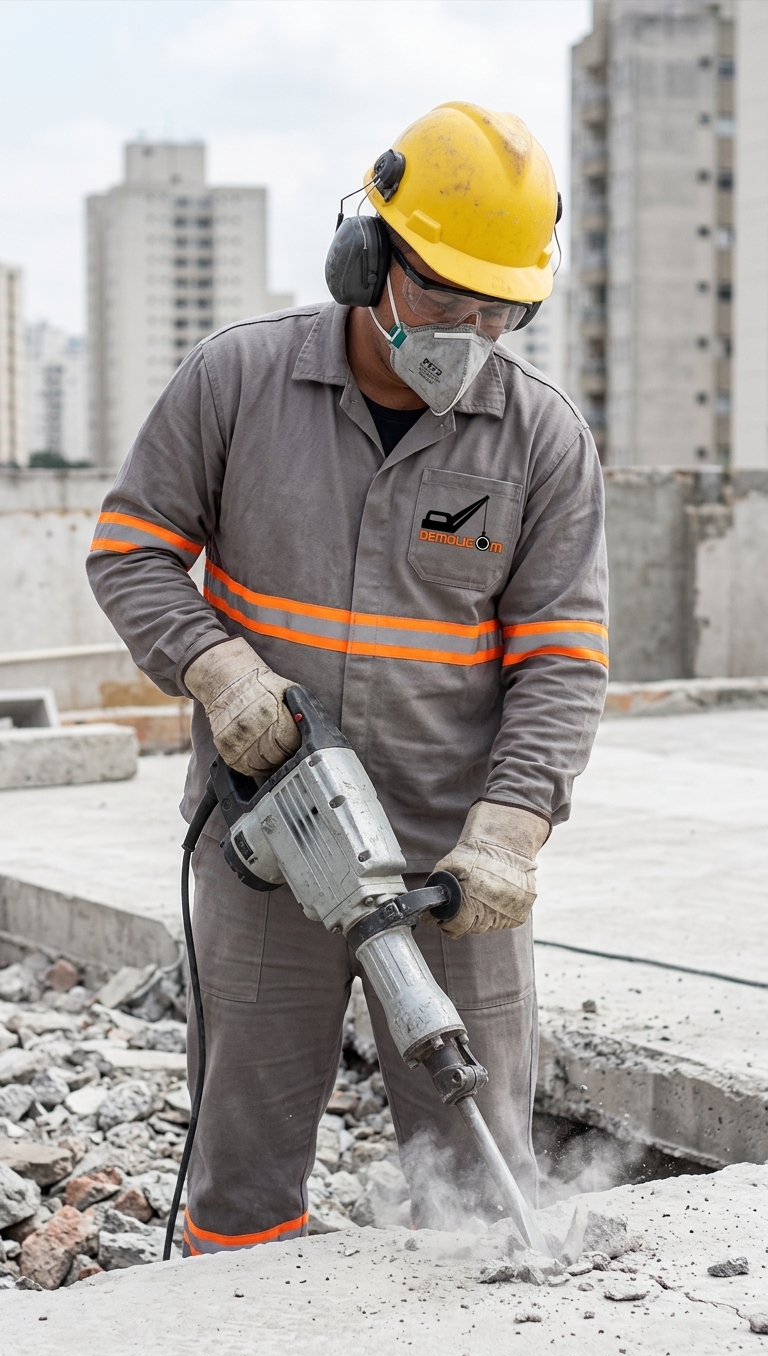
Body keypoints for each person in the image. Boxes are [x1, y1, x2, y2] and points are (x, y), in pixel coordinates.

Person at [87, 101, 608, 1255]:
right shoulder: (237, 382)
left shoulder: (540, 440)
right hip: (268, 841)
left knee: (481, 1174)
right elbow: (128, 550)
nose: (466, 332)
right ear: (365, 255)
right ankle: (234, 1322)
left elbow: (563, 660)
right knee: (245, 1160)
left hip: (449, 873)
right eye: (440, 297)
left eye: (499, 309)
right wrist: (216, 668)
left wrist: (511, 833)